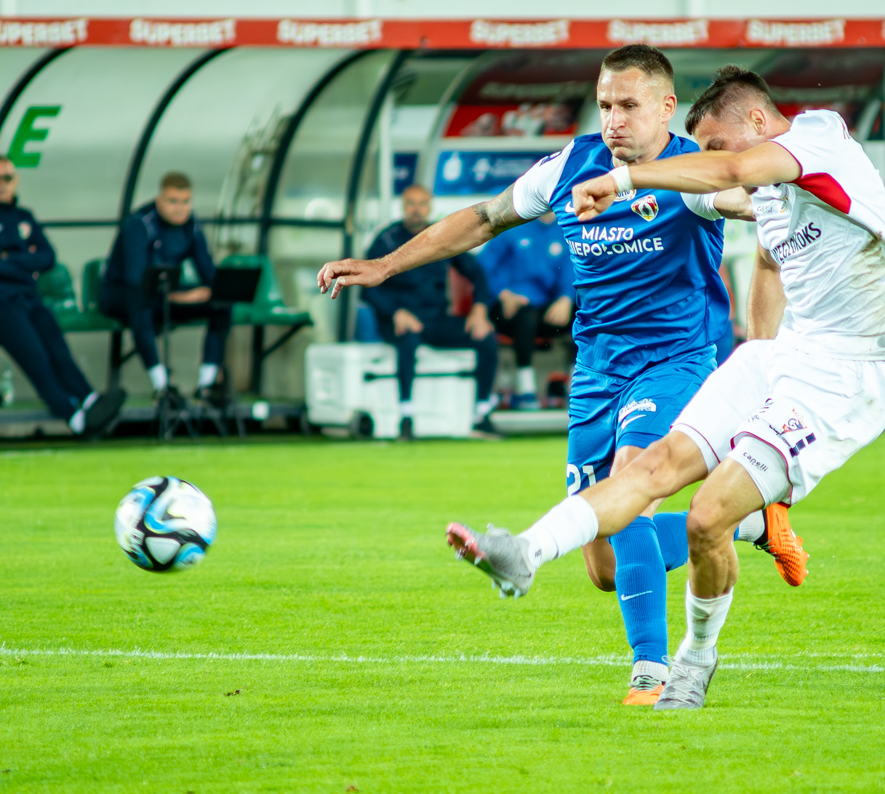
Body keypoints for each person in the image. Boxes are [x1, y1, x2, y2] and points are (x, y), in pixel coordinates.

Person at [320, 46, 803, 708]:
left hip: (676, 361)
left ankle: (652, 672)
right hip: (596, 370)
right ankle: (750, 526)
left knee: (632, 478)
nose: (613, 119)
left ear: (665, 108)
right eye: (605, 103)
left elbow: (760, 199)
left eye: (629, 105)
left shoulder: (690, 174)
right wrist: (383, 266)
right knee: (605, 564)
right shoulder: (569, 167)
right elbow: (484, 219)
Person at [442, 65, 885, 712]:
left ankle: (691, 658)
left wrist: (626, 178)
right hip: (783, 359)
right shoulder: (773, 193)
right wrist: (761, 353)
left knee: (705, 515)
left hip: (849, 373)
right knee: (654, 473)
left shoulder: (818, 139)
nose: (711, 157)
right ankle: (524, 551)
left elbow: (727, 174)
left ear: (753, 121)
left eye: (715, 143)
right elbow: (772, 260)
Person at [0, 157, 125, 437]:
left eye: (7, 178)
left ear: (16, 180)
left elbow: (48, 257)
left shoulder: (24, 216)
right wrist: (26, 260)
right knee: (34, 354)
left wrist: (9, 257)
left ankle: (88, 398)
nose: (2, 185)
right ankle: (73, 417)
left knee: (56, 346)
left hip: (26, 297)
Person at [355, 183, 502, 439]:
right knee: (408, 340)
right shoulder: (386, 239)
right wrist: (395, 311)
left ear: (430, 207)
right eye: (411, 204)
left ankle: (481, 415)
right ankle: (405, 416)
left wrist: (479, 310)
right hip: (398, 321)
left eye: (422, 204)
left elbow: (477, 274)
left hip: (435, 319)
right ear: (402, 207)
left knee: (485, 338)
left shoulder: (441, 235)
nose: (416, 210)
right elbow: (367, 289)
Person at [101, 171, 232, 408]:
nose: (179, 208)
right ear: (159, 200)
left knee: (222, 304)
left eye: (185, 202)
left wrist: (211, 291)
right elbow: (135, 279)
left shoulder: (191, 226)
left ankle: (206, 385)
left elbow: (207, 271)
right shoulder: (139, 224)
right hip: (121, 294)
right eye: (173, 201)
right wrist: (178, 297)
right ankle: (161, 386)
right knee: (139, 303)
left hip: (166, 294)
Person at [475, 210, 574, 409]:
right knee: (524, 316)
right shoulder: (511, 227)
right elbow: (482, 267)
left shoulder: (565, 230)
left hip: (544, 309)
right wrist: (503, 293)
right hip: (505, 308)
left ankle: (576, 383)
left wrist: (566, 298)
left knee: (585, 315)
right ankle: (525, 388)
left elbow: (574, 269)